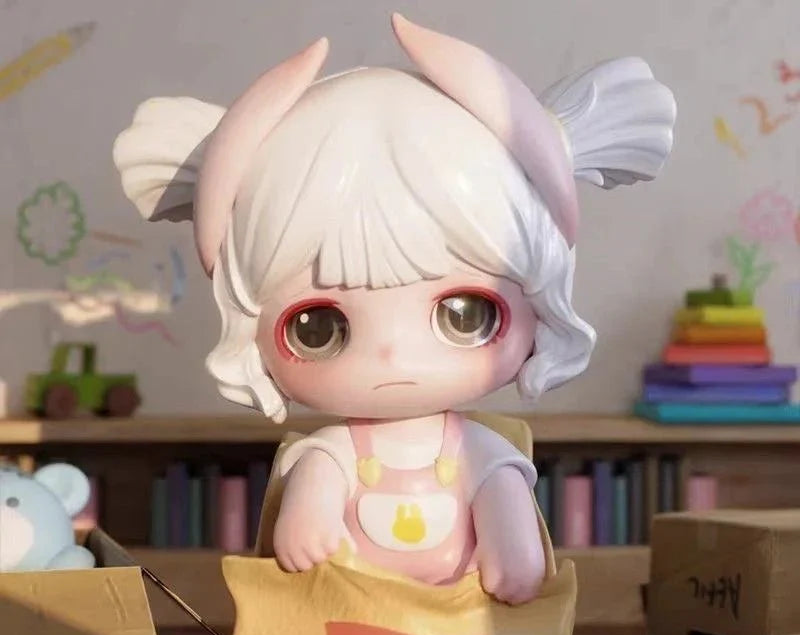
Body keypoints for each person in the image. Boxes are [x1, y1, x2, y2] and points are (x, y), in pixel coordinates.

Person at [113, 14, 675, 604]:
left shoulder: (477, 451)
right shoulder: (335, 454)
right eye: (318, 328)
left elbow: (506, 504)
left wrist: (513, 551)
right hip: (354, 615)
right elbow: (308, 507)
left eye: (464, 313)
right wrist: (307, 523)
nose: (392, 354)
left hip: (460, 619)